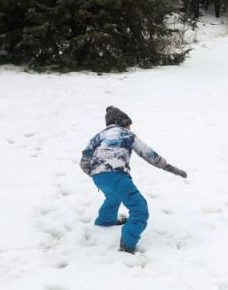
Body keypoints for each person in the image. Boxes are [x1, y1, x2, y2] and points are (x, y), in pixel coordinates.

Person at [80, 106, 187, 253]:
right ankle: (127, 244)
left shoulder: (97, 137)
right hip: (116, 176)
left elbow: (84, 161)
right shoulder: (126, 134)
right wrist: (169, 167)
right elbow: (148, 154)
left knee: (113, 197)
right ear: (123, 123)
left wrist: (98, 174)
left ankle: (105, 222)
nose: (130, 128)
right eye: (129, 124)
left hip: (98, 176)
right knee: (139, 208)